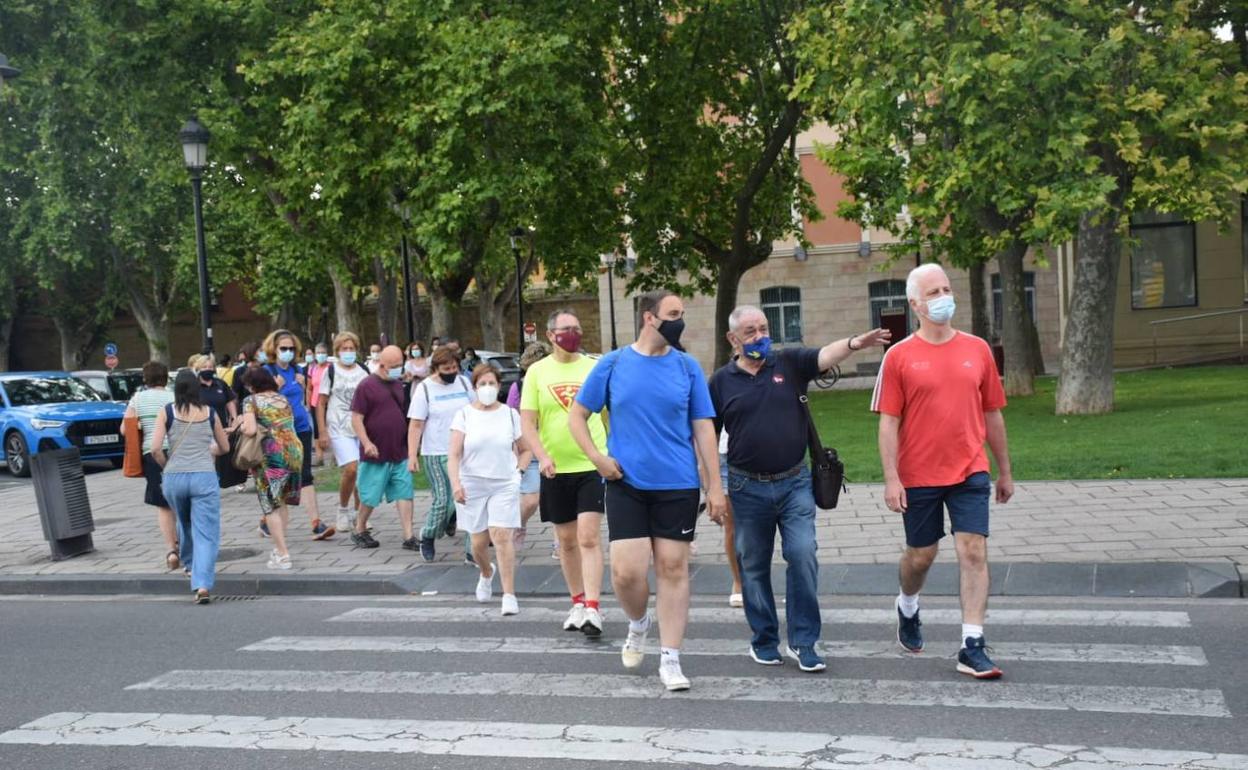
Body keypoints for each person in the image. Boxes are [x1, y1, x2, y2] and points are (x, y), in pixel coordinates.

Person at [710, 305, 890, 673]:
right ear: (733, 339)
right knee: (753, 565)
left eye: (763, 328)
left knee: (803, 554)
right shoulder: (720, 382)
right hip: (745, 486)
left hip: (794, 483)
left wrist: (855, 342)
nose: (760, 336)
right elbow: (705, 435)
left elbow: (825, 355)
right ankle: (763, 639)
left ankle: (805, 640)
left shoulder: (788, 364)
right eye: (750, 331)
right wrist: (712, 487)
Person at [570, 290, 726, 691]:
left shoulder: (687, 367)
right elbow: (578, 415)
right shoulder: (614, 363)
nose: (680, 320)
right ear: (649, 318)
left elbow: (703, 427)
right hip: (626, 482)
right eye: (673, 314)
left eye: (682, 314)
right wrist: (597, 457)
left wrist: (715, 486)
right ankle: (638, 622)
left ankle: (671, 658)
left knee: (673, 569)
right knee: (626, 572)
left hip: (678, 483)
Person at [872, 262, 1014, 680]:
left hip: (971, 469)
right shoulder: (899, 357)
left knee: (973, 550)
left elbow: (993, 413)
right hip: (919, 475)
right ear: (915, 304)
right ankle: (908, 605)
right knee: (922, 555)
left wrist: (1004, 470)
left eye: (947, 288)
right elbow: (888, 422)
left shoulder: (977, 349)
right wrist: (891, 478)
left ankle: (972, 644)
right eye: (933, 292)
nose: (943, 298)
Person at [522, 311, 612, 635]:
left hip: (591, 464)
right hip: (555, 468)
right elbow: (528, 423)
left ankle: (593, 608)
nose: (572, 334)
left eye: (577, 328)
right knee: (566, 540)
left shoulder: (594, 368)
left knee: (588, 536)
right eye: (566, 329)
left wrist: (609, 453)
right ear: (550, 335)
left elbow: (608, 415)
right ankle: (576, 602)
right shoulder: (536, 372)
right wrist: (541, 456)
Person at [449, 364, 529, 615]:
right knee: (478, 543)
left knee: (501, 535)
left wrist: (519, 474)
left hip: (504, 482)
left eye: (491, 383)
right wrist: (456, 485)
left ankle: (509, 594)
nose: (487, 388)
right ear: (474, 388)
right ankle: (486, 572)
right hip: (472, 483)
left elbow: (525, 449)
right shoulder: (463, 415)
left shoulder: (509, 415)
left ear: (499, 386)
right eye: (482, 384)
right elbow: (454, 454)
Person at [150, 369, 230, 604]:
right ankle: (202, 584)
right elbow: (224, 447)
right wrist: (211, 450)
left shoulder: (167, 412)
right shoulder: (210, 413)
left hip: (175, 478)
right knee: (205, 532)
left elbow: (155, 449)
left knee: (183, 521)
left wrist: (167, 466)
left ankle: (188, 563)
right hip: (204, 477)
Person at [261, 329, 334, 541]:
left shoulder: (298, 371)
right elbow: (260, 404)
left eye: (291, 348)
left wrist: (303, 387)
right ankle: (268, 518)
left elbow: (301, 400)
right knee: (281, 476)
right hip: (279, 431)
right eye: (283, 348)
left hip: (301, 427)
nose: (288, 352)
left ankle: (316, 523)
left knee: (305, 475)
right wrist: (274, 388)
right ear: (274, 349)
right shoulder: (267, 372)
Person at [407, 347, 475, 561]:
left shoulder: (464, 383)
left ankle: (472, 551)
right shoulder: (425, 389)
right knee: (443, 500)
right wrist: (412, 455)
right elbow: (416, 424)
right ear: (436, 368)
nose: (451, 371)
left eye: (455, 367)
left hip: (465, 451)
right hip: (436, 452)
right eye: (446, 368)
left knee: (470, 499)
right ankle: (428, 535)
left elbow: (475, 411)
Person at [349, 346, 417, 550]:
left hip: (399, 450)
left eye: (399, 365)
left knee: (405, 493)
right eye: (393, 366)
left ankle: (409, 536)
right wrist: (366, 442)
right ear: (381, 365)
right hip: (375, 452)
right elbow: (356, 418)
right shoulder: (366, 386)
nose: (397, 370)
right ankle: (360, 528)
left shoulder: (397, 385)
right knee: (370, 495)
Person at [240, 367, 304, 570]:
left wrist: (240, 425)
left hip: (271, 455)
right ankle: (279, 548)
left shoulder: (251, 401)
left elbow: (250, 430)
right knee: (283, 501)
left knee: (270, 504)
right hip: (294, 451)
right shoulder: (281, 398)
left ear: (252, 385)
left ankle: (283, 553)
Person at [125, 361, 178, 571]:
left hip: (152, 452)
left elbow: (124, 428)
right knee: (181, 498)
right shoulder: (173, 396)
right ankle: (185, 541)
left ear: (145, 379)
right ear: (166, 378)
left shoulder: (137, 399)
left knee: (163, 504)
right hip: (176, 450)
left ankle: (171, 550)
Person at [318, 332, 368, 534]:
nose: (348, 352)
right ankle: (343, 509)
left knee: (363, 471)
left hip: (361, 426)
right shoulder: (330, 371)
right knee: (351, 468)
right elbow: (320, 403)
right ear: (337, 351)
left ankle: (359, 513)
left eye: (351, 348)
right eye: (344, 349)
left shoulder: (364, 370)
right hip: (338, 426)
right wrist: (322, 431)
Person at [506, 341, 550, 553]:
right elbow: (511, 419)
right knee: (531, 501)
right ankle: (519, 525)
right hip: (529, 450)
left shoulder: (553, 384)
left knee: (556, 503)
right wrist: (516, 452)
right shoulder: (519, 388)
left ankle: (560, 544)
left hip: (553, 447)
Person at [306, 342, 331, 467]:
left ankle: (335, 457)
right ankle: (319, 457)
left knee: (331, 428)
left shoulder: (331, 368)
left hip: (329, 402)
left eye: (323, 352)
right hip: (315, 403)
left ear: (327, 354)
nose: (320, 355)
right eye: (318, 353)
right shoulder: (313, 368)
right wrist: (308, 403)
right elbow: (309, 388)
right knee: (316, 430)